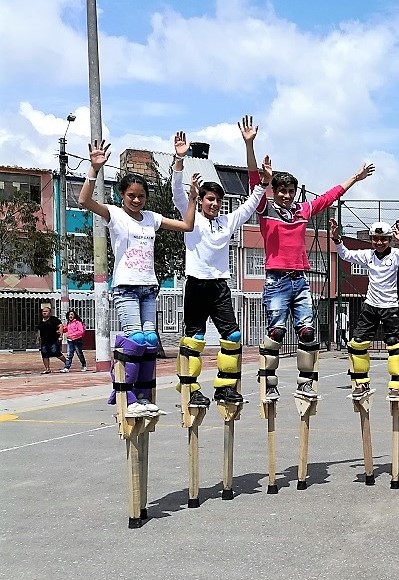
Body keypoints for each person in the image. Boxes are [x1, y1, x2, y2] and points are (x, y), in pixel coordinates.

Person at [247, 134, 375, 401]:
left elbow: (330, 196)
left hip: (300, 280)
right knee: (276, 332)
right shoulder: (265, 209)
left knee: (307, 332)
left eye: (290, 191)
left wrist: (355, 177)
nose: (286, 195)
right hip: (276, 280)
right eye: (281, 191)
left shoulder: (302, 211)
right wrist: (250, 147)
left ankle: (305, 384)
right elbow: (253, 182)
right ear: (274, 192)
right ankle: (269, 384)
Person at [79, 139, 197, 416]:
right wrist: (94, 169)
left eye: (141, 196)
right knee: (135, 341)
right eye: (131, 195)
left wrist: (191, 199)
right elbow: (84, 200)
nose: (136, 200)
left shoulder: (152, 218)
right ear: (122, 195)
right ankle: (124, 392)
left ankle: (142, 396)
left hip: (148, 288)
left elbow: (187, 226)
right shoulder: (115, 214)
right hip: (125, 288)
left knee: (149, 343)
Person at [170, 120, 267, 408]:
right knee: (195, 339)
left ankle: (224, 387)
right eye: (209, 199)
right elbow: (176, 192)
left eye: (218, 201)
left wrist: (264, 181)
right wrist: (179, 159)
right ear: (201, 200)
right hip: (196, 284)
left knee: (233, 336)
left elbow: (250, 204)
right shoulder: (193, 217)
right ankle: (189, 387)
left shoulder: (226, 222)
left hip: (220, 286)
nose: (214, 204)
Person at [330, 211, 399, 401]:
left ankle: (396, 385)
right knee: (357, 344)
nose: (379, 243)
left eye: (384, 239)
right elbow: (345, 255)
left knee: (395, 345)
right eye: (376, 239)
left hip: (390, 307)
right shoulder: (368, 255)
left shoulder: (396, 255)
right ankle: (361, 382)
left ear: (389, 239)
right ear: (371, 239)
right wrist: (337, 239)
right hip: (370, 305)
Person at [37, 306, 67, 374]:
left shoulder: (54, 319)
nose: (44, 313)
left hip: (53, 340)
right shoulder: (41, 322)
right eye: (43, 311)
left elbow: (61, 326)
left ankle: (67, 363)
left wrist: (61, 336)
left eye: (46, 311)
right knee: (44, 354)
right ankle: (47, 369)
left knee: (56, 352)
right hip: (44, 341)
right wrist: (38, 339)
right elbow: (39, 330)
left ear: (50, 313)